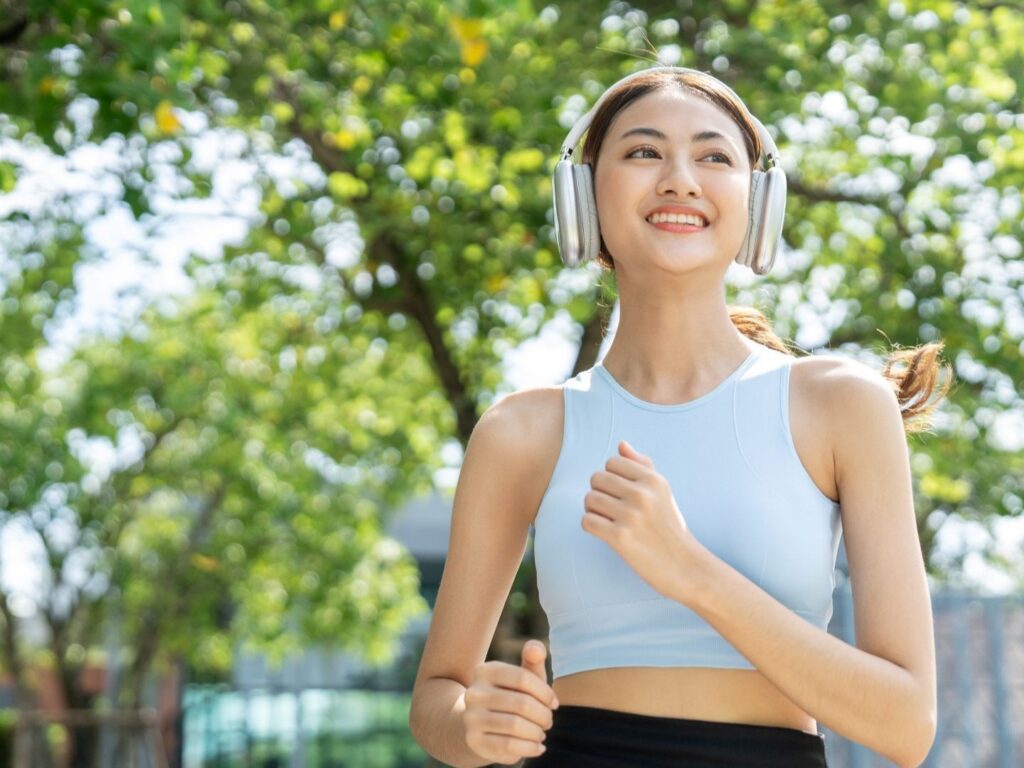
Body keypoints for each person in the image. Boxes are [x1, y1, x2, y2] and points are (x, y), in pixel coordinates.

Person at [409, 65, 949, 768]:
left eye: (713, 156)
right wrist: (472, 725)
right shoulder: (522, 432)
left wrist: (690, 571)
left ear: (758, 203)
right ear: (582, 194)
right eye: (642, 151)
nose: (679, 179)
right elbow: (436, 699)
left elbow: (906, 728)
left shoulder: (841, 406)